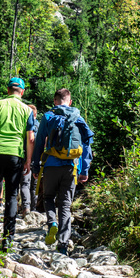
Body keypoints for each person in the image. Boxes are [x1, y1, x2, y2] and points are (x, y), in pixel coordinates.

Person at [32, 88, 94, 255]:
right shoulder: (78, 118)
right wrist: (85, 169)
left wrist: (35, 167)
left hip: (51, 165)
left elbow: (38, 143)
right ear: (70, 101)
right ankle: (63, 245)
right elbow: (88, 143)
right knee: (65, 205)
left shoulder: (48, 116)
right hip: (71, 167)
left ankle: (52, 222)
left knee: (48, 197)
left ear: (55, 101)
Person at [0, 77, 35, 251]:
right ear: (22, 92)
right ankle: (8, 238)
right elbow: (31, 138)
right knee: (11, 195)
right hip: (15, 156)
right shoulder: (27, 110)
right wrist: (28, 161)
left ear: (7, 90)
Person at [19, 104, 39, 217]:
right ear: (35, 114)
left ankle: (26, 208)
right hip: (37, 158)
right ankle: (34, 207)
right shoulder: (39, 125)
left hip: (25, 156)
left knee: (25, 183)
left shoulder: (23, 125)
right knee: (34, 184)